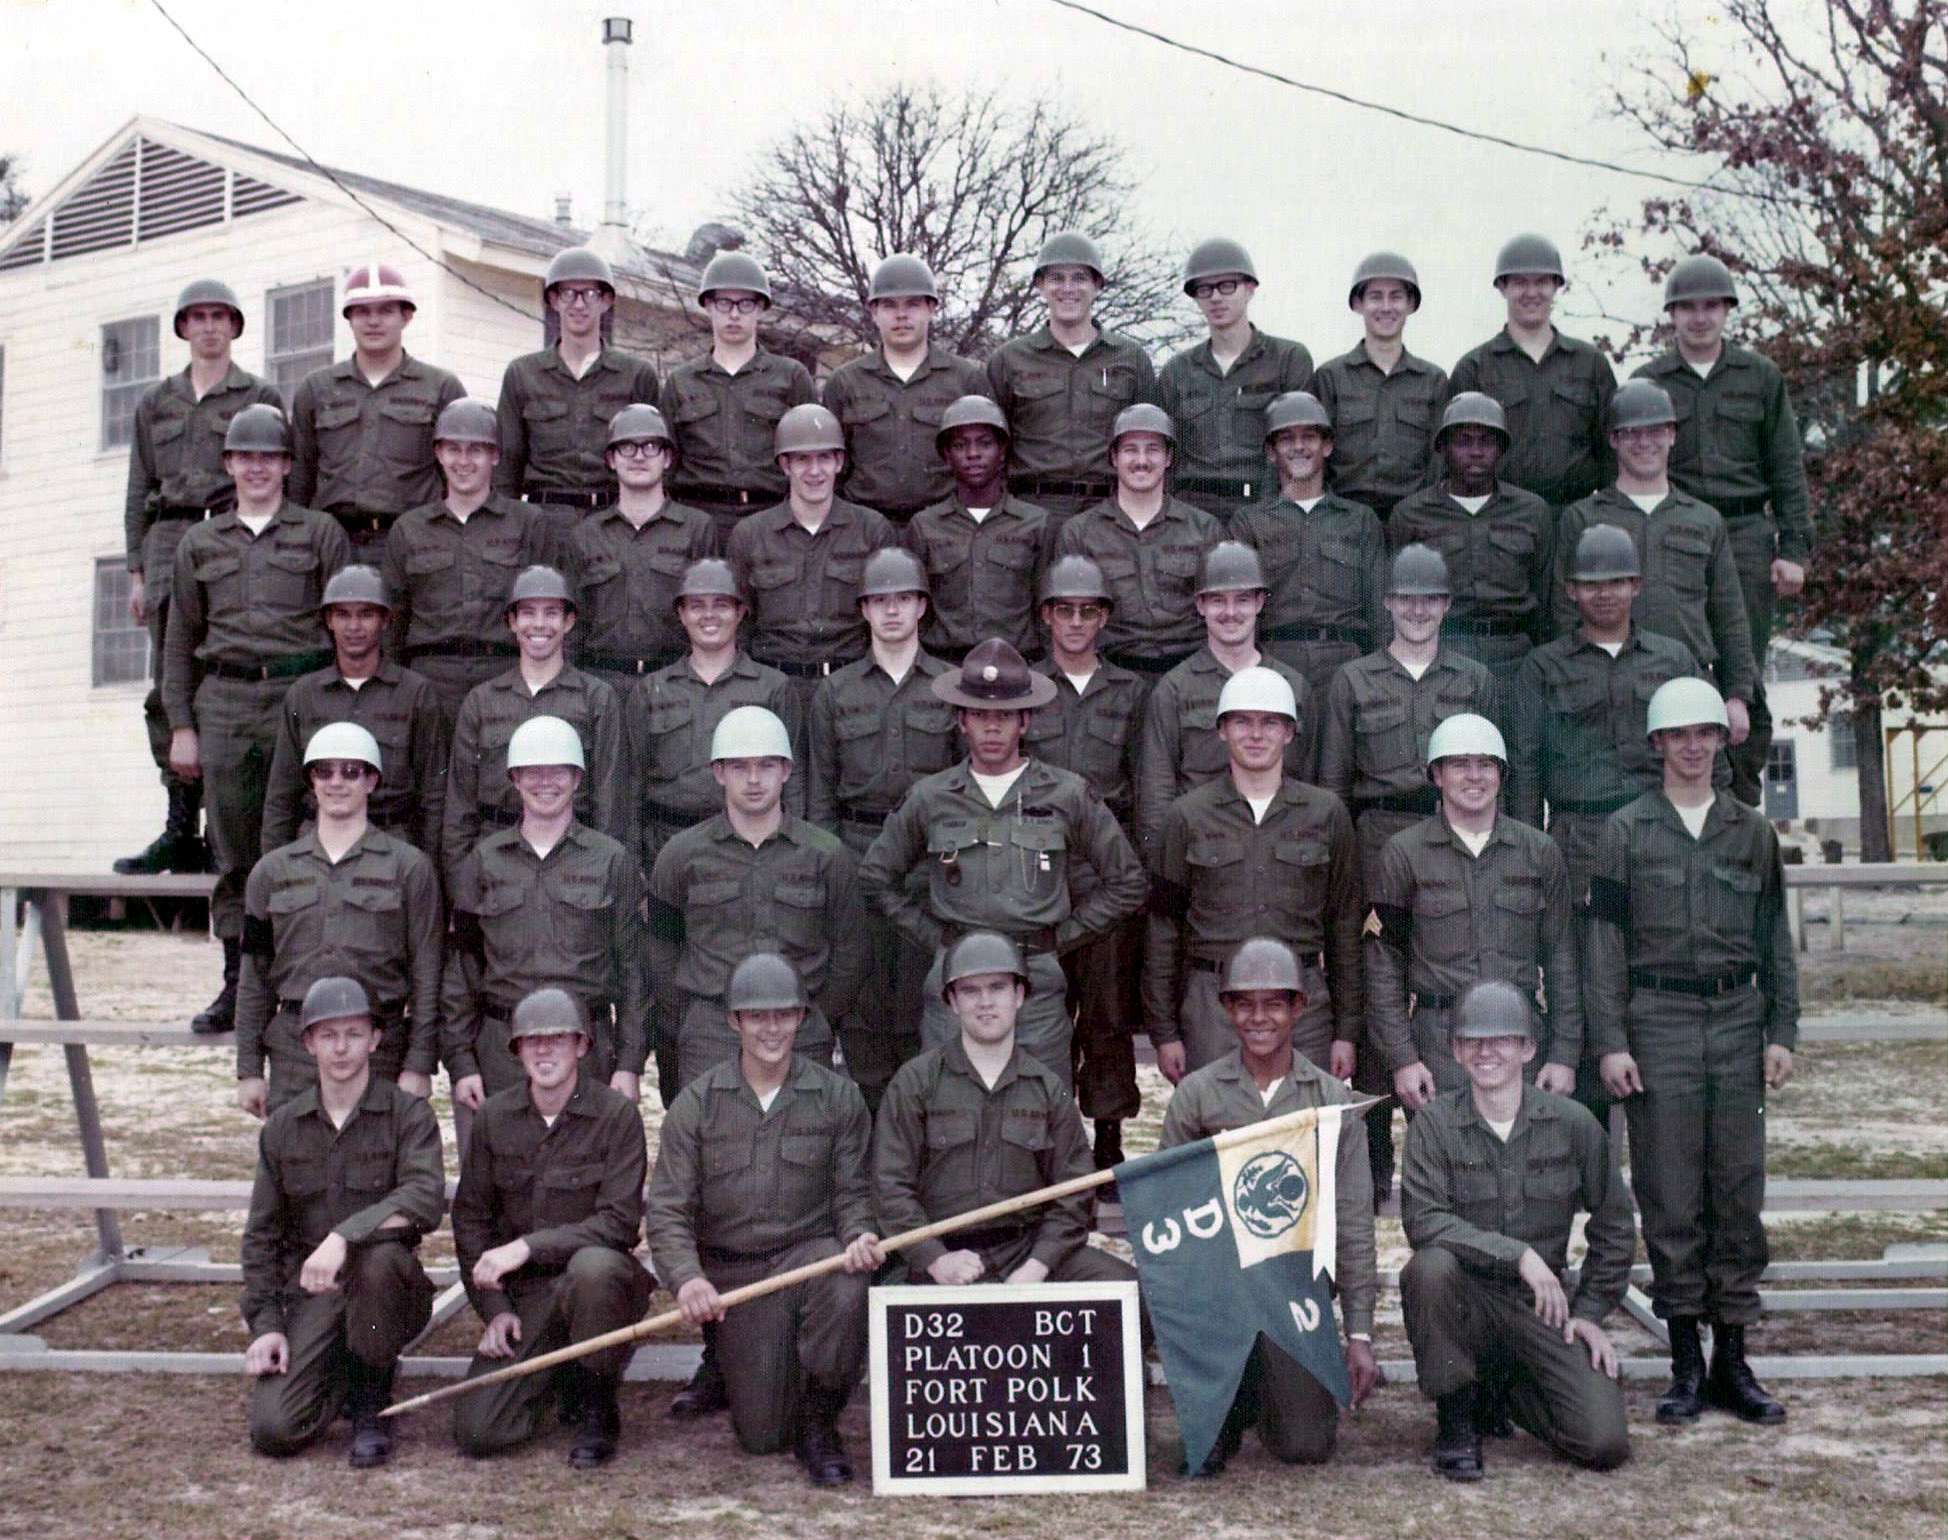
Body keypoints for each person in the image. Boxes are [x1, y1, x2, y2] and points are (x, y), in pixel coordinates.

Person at [1587, 677, 1796, 1427]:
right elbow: (1603, 947)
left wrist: (1782, 1033)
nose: (1693, 746)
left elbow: (1775, 940)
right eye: (1679, 735)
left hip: (1738, 1020)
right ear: (1656, 746)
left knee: (1737, 1192)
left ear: (1721, 741)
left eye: (1706, 733)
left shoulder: (1752, 832)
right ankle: (1684, 1362)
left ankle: (1732, 1361)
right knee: (1671, 1193)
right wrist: (1611, 1041)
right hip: (1661, 1020)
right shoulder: (1626, 832)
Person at [858, 641, 1147, 1087]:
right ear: (961, 722)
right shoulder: (931, 797)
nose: (992, 729)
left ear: (1025, 721)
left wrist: (1062, 938)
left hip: (1037, 981)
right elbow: (876, 877)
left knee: (1044, 1111)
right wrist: (934, 938)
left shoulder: (1067, 794)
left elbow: (1127, 881)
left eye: (1004, 716)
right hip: (955, 980)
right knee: (945, 1104)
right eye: (979, 716)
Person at [646, 953, 883, 1484]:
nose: (771, 1027)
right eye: (756, 1016)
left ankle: (821, 1421)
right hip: (736, 1280)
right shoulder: (697, 1104)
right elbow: (667, 1208)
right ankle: (749, 1372)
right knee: (761, 1438)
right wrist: (688, 1279)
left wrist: (860, 1233)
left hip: (806, 1260)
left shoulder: (838, 1097)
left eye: (783, 1014)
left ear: (801, 1018)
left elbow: (852, 1193)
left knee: (846, 1278)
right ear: (734, 1021)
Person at [1506, 525, 1711, 1118]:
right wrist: (1528, 850)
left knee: (1654, 972)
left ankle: (1661, 1123)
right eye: (1591, 584)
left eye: (1616, 582)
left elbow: (1701, 757)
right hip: (1579, 840)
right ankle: (1592, 1141)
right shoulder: (1543, 668)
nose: (1604, 595)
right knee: (1585, 982)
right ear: (1570, 591)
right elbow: (1525, 765)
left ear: (1636, 586)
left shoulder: (1673, 660)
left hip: (1658, 840)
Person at [1315, 543, 1499, 1199]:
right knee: (1373, 977)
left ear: (1446, 606)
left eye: (1431, 598)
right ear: (1388, 604)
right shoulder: (1354, 679)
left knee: (1447, 970)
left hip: (1451, 839)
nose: (1418, 609)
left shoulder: (1473, 681)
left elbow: (1494, 766)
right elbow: (1333, 785)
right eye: (1406, 598)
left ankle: (1454, 1137)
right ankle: (1374, 1148)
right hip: (1376, 842)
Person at [1158, 937, 1379, 1473]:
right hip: (1221, 1288)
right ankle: (1222, 1397)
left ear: (1298, 1008)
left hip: (1293, 1290)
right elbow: (1167, 1204)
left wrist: (1360, 1333)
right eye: (1245, 1005)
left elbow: (1352, 1220)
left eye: (1274, 1004)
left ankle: (1258, 1386)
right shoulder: (1198, 1094)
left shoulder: (1331, 1101)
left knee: (1304, 1446)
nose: (1259, 1018)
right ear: (1228, 1009)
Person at [163, 403, 350, 1034]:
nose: (258, 469)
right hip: (227, 703)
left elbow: (344, 624)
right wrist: (182, 725)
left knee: (306, 844)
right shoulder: (200, 542)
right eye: (246, 458)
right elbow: (179, 639)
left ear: (289, 466)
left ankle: (305, 985)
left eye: (269, 458)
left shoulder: (319, 533)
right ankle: (238, 986)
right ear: (229, 465)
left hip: (301, 698)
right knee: (237, 851)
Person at [1398, 979, 1633, 1482]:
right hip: (1466, 1298)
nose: (1486, 1051)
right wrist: (1518, 1255)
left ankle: (1505, 1390)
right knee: (1429, 1267)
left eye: (1502, 1039)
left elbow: (1613, 1225)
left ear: (1528, 1047)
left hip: (1540, 1306)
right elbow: (1423, 1220)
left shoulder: (1573, 1123)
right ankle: (1458, 1418)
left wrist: (1590, 1311)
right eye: (1472, 1041)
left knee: (1603, 1441)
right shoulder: (1434, 1125)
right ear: (1456, 1051)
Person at [239, 975, 443, 1468]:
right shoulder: (284, 1126)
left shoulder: (407, 1114)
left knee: (378, 1263)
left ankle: (372, 1400)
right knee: (275, 1429)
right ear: (308, 1043)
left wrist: (343, 1237)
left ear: (375, 1039)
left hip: (387, 1288)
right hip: (315, 1293)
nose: (341, 1048)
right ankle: (341, 1372)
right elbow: (261, 1236)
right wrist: (266, 1326)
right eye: (328, 1035)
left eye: (354, 1033)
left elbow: (423, 1196)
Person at [117, 279, 282, 877]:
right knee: (171, 683)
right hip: (167, 542)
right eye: (198, 317)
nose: (209, 327)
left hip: (229, 538)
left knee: (226, 672)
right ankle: (179, 824)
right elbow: (139, 487)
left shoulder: (258, 395)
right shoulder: (155, 402)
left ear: (235, 327)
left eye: (221, 317)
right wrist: (137, 569)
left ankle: (223, 828)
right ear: (183, 328)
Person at [1634, 254, 1813, 807]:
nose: (1699, 318)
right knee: (1673, 655)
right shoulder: (1650, 381)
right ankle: (1670, 787)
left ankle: (1739, 789)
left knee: (1743, 665)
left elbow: (1785, 464)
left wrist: (1795, 548)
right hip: (1676, 528)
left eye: (1710, 306)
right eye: (1687, 307)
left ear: (1727, 311)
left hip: (1743, 532)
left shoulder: (1760, 377)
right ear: (1671, 315)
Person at [450, 987, 653, 1469]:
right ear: (516, 1050)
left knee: (594, 1269)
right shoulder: (494, 1118)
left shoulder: (616, 1116)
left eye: (558, 1039)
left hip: (596, 1284)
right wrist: (495, 1309)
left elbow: (620, 1222)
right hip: (528, 1298)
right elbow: (471, 1221)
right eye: (531, 1041)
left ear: (582, 1046)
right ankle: (556, 1377)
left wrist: (527, 1246)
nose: (544, 1051)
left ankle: (597, 1403)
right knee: (480, 1430)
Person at [874, 931, 1138, 1293]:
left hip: (1026, 1252)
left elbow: (1074, 1194)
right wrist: (935, 1259)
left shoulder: (1047, 1089)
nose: (985, 1002)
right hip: (942, 1255)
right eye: (970, 990)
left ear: (1019, 995)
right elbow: (891, 1187)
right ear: (951, 1001)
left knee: (1125, 1289)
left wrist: (1037, 1266)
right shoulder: (915, 1084)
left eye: (997, 987)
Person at [1145, 668, 1361, 1081]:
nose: (1256, 735)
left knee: (1305, 1132)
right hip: (1214, 1005)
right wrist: (1165, 1032)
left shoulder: (1326, 813)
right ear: (1222, 730)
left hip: (1304, 1003)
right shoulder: (1187, 816)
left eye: (1270, 722)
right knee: (1219, 1133)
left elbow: (1344, 925)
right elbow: (1164, 929)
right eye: (1242, 721)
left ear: (1290, 733)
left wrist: (1346, 1031)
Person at [1365, 714, 1582, 1111]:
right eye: (1459, 764)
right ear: (1436, 775)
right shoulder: (1403, 853)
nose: (1474, 776)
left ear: (1501, 774)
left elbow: (1562, 957)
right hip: (1438, 1045)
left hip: (1520, 1043)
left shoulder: (1538, 852)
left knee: (1522, 1166)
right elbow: (1384, 965)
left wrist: (1564, 1053)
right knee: (1442, 1165)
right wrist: (1403, 1058)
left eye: (1486, 765)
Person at [805, 549, 958, 1110]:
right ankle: (871, 1133)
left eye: (903, 599)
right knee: (864, 1005)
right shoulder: (835, 692)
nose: (892, 612)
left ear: (921, 606)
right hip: (858, 852)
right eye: (879, 601)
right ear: (864, 610)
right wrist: (830, 867)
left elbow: (964, 785)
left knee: (927, 1003)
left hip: (928, 862)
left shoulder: (950, 686)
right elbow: (820, 790)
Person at [646, 707, 868, 1090]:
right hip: (711, 1035)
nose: (753, 780)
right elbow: (660, 947)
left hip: (799, 1032)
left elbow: (850, 951)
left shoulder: (827, 855)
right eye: (739, 767)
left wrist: (818, 1017)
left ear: (786, 771)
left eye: (766, 766)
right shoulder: (681, 855)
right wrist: (690, 1017)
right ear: (718, 772)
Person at [441, 716, 648, 1107]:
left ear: (577, 779)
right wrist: (461, 1062)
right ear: (515, 779)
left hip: (586, 1051)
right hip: (501, 1054)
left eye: (558, 772)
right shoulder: (484, 861)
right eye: (533, 772)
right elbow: (461, 971)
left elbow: (633, 969)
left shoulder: (610, 861)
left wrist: (630, 1063)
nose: (545, 783)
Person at [1550, 381, 1758, 771]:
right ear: (1613, 440)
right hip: (1605, 691)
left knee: (1698, 807)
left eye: (1656, 431)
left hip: (1689, 685)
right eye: (1631, 433)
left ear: (1673, 434)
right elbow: (1564, 612)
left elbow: (1729, 614)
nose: (1644, 443)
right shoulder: (1583, 518)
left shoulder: (1704, 519)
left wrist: (1737, 695)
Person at [237, 722, 442, 1115]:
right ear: (310, 781)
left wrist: (419, 1063)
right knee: (297, 1166)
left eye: (350, 771)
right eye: (323, 771)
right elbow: (254, 974)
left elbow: (427, 971)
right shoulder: (271, 872)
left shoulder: (409, 867)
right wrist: (249, 1068)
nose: (336, 782)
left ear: (371, 781)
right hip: (296, 1051)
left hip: (379, 1047)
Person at [1024, 556, 1147, 1171]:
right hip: (1036, 867)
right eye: (1064, 610)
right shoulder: (1025, 688)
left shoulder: (1129, 692)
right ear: (1046, 615)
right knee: (1040, 1009)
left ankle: (1108, 1141)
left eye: (1088, 612)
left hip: (1103, 868)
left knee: (1105, 1013)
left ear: (1103, 619)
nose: (1076, 623)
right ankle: (1046, 1144)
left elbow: (1144, 785)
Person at [381, 398, 559, 731]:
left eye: (476, 450)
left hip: (506, 676)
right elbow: (393, 623)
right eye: (453, 449)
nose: (463, 461)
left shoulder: (528, 523)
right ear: (438, 453)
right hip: (430, 681)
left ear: (495, 456)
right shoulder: (409, 529)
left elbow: (553, 612)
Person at [441, 564, 626, 880]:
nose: (539, 624)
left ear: (569, 622)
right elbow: (460, 806)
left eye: (551, 613)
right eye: (527, 613)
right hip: (494, 858)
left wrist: (602, 872)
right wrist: (461, 880)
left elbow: (609, 800)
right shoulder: (481, 701)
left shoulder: (597, 698)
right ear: (512, 621)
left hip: (574, 856)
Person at [624, 558, 801, 880]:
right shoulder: (651, 690)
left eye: (721, 605)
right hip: (666, 846)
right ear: (681, 614)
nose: (708, 616)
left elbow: (795, 784)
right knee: (669, 930)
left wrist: (793, 857)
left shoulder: (773, 688)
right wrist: (634, 866)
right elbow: (632, 783)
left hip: (752, 849)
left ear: (740, 612)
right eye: (696, 606)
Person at [1134, 540, 1313, 853]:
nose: (1230, 613)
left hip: (1281, 854)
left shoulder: (1293, 687)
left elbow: (1311, 786)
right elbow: (1156, 794)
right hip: (1202, 852)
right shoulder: (1174, 689)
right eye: (1218, 601)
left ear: (1259, 602)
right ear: (1201, 606)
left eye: (1242, 600)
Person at [725, 403, 899, 720]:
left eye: (824, 458)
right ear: (785, 465)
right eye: (802, 459)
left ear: (839, 462)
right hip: (772, 686)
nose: (814, 471)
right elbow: (739, 624)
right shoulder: (750, 534)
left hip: (851, 687)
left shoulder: (872, 530)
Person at [261, 564, 446, 856]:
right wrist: (275, 868)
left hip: (393, 843)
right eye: (342, 615)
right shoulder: (303, 695)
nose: (354, 627)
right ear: (328, 621)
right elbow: (281, 797)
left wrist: (428, 868)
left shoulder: (415, 692)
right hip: (316, 843)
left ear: (385, 620)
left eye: (366, 614)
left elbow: (433, 796)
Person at [288, 262, 465, 558]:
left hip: (416, 545)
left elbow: (458, 477)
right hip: (332, 544)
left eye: (385, 311)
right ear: (349, 319)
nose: (374, 321)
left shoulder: (440, 388)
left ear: (406, 317)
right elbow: (299, 479)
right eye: (363, 311)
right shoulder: (316, 389)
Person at [986, 232, 1158, 528]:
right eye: (1056, 278)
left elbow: (1154, 441)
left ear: (1097, 286)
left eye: (1079, 278)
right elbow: (988, 446)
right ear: (1040, 285)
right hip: (1030, 513)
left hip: (1110, 514)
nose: (1068, 289)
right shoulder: (1008, 360)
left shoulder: (1130, 359)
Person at [494, 245, 662, 536]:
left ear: (606, 300)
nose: (579, 304)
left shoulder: (636, 375)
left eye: (590, 294)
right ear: (554, 300)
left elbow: (658, 463)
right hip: (544, 524)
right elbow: (506, 467)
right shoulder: (523, 374)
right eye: (568, 294)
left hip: (615, 524)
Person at [1386, 393, 1556, 679]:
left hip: (1515, 656)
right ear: (1443, 448)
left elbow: (1549, 599)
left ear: (1501, 449)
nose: (1476, 451)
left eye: (1487, 441)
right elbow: (1391, 600)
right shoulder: (1410, 515)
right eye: (1463, 441)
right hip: (1440, 655)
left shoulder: (1532, 512)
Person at [1231, 390, 1388, 699]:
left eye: (1309, 437)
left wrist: (1378, 675)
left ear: (1327, 446)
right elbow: (1239, 608)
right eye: (1286, 438)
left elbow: (1380, 610)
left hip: (1345, 664)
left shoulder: (1360, 520)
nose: (1299, 447)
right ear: (1271, 452)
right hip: (1272, 663)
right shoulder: (1249, 522)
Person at [1052, 405, 1223, 681]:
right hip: (1110, 677)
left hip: (1188, 674)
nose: (1142, 460)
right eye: (1131, 449)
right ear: (1113, 457)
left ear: (1168, 457)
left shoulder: (1205, 529)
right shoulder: (1079, 533)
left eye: (1153, 449)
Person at [561, 403, 721, 696]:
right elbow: (571, 626)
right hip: (601, 685)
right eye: (626, 447)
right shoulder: (585, 535)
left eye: (650, 446)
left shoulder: (697, 529)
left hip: (677, 685)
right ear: (611, 459)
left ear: (668, 457)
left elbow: (716, 618)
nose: (638, 456)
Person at [1447, 234, 1616, 510]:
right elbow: (1452, 460)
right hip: (1501, 519)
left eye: (1541, 282)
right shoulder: (1475, 367)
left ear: (1556, 286)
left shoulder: (1591, 364)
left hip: (1577, 517)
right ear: (1502, 287)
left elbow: (1612, 455)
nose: (1531, 293)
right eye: (1520, 283)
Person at [1158, 238, 1314, 529]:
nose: (1216, 297)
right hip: (1192, 517)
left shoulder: (1288, 360)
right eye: (1204, 290)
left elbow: (1302, 448)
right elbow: (1167, 456)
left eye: (1227, 286)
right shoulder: (1176, 372)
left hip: (1267, 512)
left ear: (1250, 289)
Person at [662, 250, 816, 544]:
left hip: (772, 519)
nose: (734, 314)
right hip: (700, 521)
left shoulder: (791, 376)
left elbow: (811, 454)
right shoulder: (680, 382)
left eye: (745, 304)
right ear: (708, 306)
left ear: (760, 308)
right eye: (724, 303)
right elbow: (667, 463)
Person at [821, 255, 987, 524]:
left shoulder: (966, 380)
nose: (901, 315)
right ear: (873, 312)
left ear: (932, 309)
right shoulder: (845, 382)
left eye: (913, 304)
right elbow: (832, 466)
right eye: (889, 305)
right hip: (865, 526)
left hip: (944, 527)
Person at [903, 394, 1052, 662]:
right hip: (944, 665)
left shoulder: (1036, 523)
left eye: (985, 444)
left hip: (1017, 664)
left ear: (1003, 451)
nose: (973, 454)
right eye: (960, 445)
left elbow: (1046, 610)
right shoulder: (924, 527)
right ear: (946, 455)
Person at [1312, 253, 1447, 521]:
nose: (1386, 307)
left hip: (1415, 518)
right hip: (1344, 518)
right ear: (1358, 304)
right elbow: (1317, 456)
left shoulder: (1433, 380)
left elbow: (1440, 461)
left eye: (1396, 296)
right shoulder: (1331, 376)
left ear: (1410, 304)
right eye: (1375, 296)